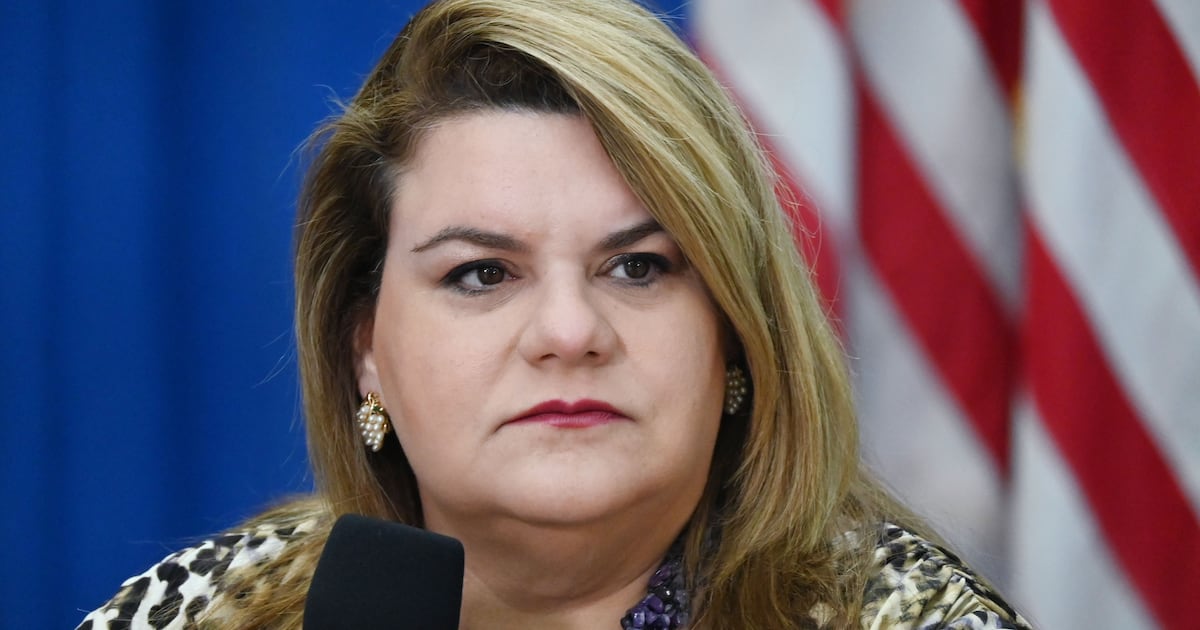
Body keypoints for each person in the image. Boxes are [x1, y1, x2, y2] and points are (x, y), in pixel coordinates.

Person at [78, 0, 1031, 628]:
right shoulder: (200, 615)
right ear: (366, 348)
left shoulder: (914, 620)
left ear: (735, 334)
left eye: (637, 267)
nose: (570, 333)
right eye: (483, 275)